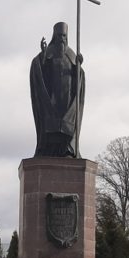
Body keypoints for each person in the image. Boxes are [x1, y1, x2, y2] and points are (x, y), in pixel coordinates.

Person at [30, 21, 85, 158]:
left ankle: (67, 150)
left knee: (68, 123)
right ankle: (48, 149)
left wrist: (79, 65)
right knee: (51, 123)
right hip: (51, 97)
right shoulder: (48, 53)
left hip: (67, 98)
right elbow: (39, 70)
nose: (62, 39)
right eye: (59, 35)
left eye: (64, 36)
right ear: (55, 36)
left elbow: (79, 78)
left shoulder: (71, 55)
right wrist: (43, 56)